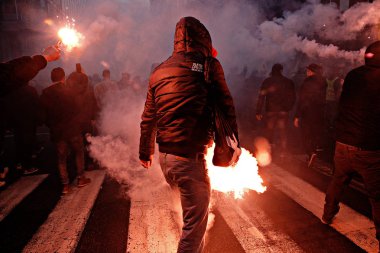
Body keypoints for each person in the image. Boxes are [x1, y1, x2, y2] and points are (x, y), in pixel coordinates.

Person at [139, 16, 240, 253]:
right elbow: (226, 106)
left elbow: (148, 117)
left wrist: (145, 152)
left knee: (191, 217)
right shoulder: (208, 64)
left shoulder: (158, 71)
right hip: (189, 159)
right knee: (194, 225)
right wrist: (232, 148)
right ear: (203, 40)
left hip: (165, 160)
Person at [321, 41, 380, 251]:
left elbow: (343, 104)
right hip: (368, 148)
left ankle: (327, 216)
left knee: (338, 181)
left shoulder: (354, 75)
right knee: (377, 194)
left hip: (343, 142)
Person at [0, 45, 60, 183]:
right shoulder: (30, 90)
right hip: (26, 123)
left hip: (16, 122)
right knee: (26, 143)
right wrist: (44, 58)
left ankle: (20, 163)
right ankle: (25, 164)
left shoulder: (13, 92)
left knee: (20, 142)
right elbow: (9, 75)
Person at [40, 67, 91, 194]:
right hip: (73, 129)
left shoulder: (45, 93)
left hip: (58, 132)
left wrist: (52, 125)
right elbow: (78, 108)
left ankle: (65, 186)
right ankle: (81, 178)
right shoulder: (69, 91)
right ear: (63, 77)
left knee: (61, 158)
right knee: (79, 153)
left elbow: (43, 115)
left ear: (52, 78)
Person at [256, 63, 296, 157]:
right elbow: (293, 97)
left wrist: (258, 111)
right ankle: (283, 152)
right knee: (283, 132)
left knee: (270, 131)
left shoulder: (267, 81)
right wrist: (288, 107)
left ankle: (270, 152)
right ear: (281, 70)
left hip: (270, 110)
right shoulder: (288, 82)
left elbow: (261, 96)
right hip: (283, 111)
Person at [294, 63, 327, 166]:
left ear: (311, 71)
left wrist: (297, 115)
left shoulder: (307, 82)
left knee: (306, 134)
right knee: (315, 133)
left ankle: (310, 153)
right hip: (320, 112)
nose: (306, 72)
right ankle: (316, 150)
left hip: (307, 112)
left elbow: (302, 99)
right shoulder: (323, 81)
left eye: (308, 70)